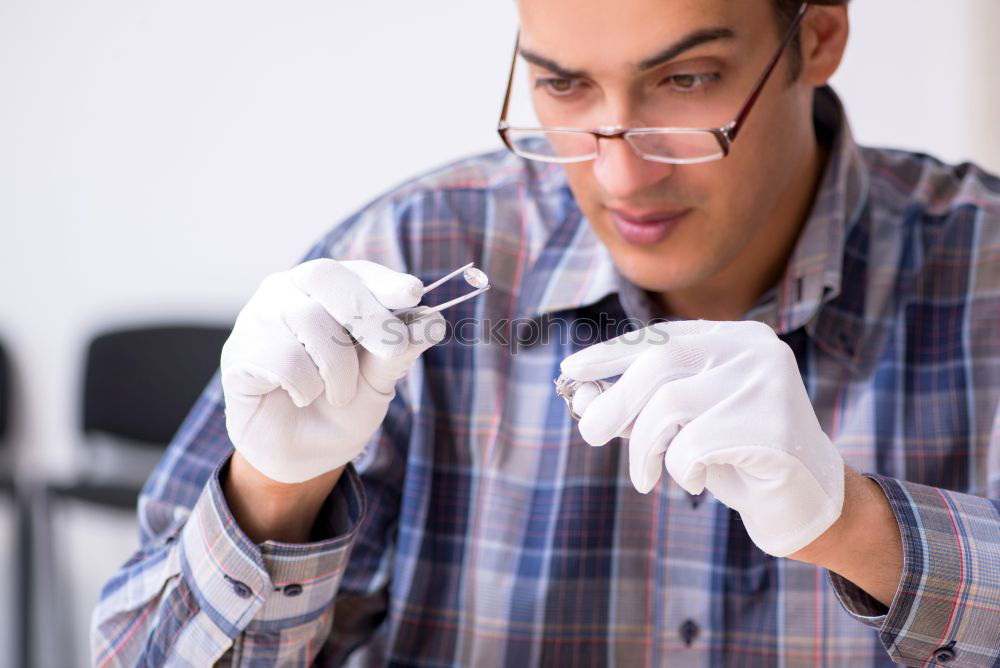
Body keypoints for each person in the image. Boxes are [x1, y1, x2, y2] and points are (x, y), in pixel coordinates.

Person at [92, 0, 1000, 665]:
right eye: (564, 86)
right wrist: (276, 496)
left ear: (818, 35)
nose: (620, 173)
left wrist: (860, 528)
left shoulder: (983, 270)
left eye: (684, 81)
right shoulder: (415, 252)